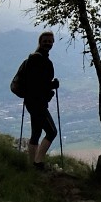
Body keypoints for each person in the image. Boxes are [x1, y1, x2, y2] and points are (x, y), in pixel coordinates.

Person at [18, 31, 60, 169]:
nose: (48, 43)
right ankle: (38, 163)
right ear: (40, 42)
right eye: (46, 41)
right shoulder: (40, 60)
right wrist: (52, 85)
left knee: (36, 133)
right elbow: (38, 83)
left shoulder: (36, 58)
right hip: (38, 103)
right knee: (52, 131)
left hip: (32, 102)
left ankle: (32, 165)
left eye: (50, 41)